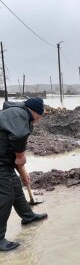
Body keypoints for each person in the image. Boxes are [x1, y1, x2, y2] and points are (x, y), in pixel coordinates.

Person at [0, 97, 48, 251]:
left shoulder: (18, 114)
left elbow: (12, 148)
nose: (40, 119)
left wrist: (22, 172)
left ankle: (28, 216)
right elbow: (19, 137)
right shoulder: (19, 116)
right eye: (41, 115)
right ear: (34, 112)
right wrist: (21, 156)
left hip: (4, 159)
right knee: (6, 197)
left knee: (15, 186)